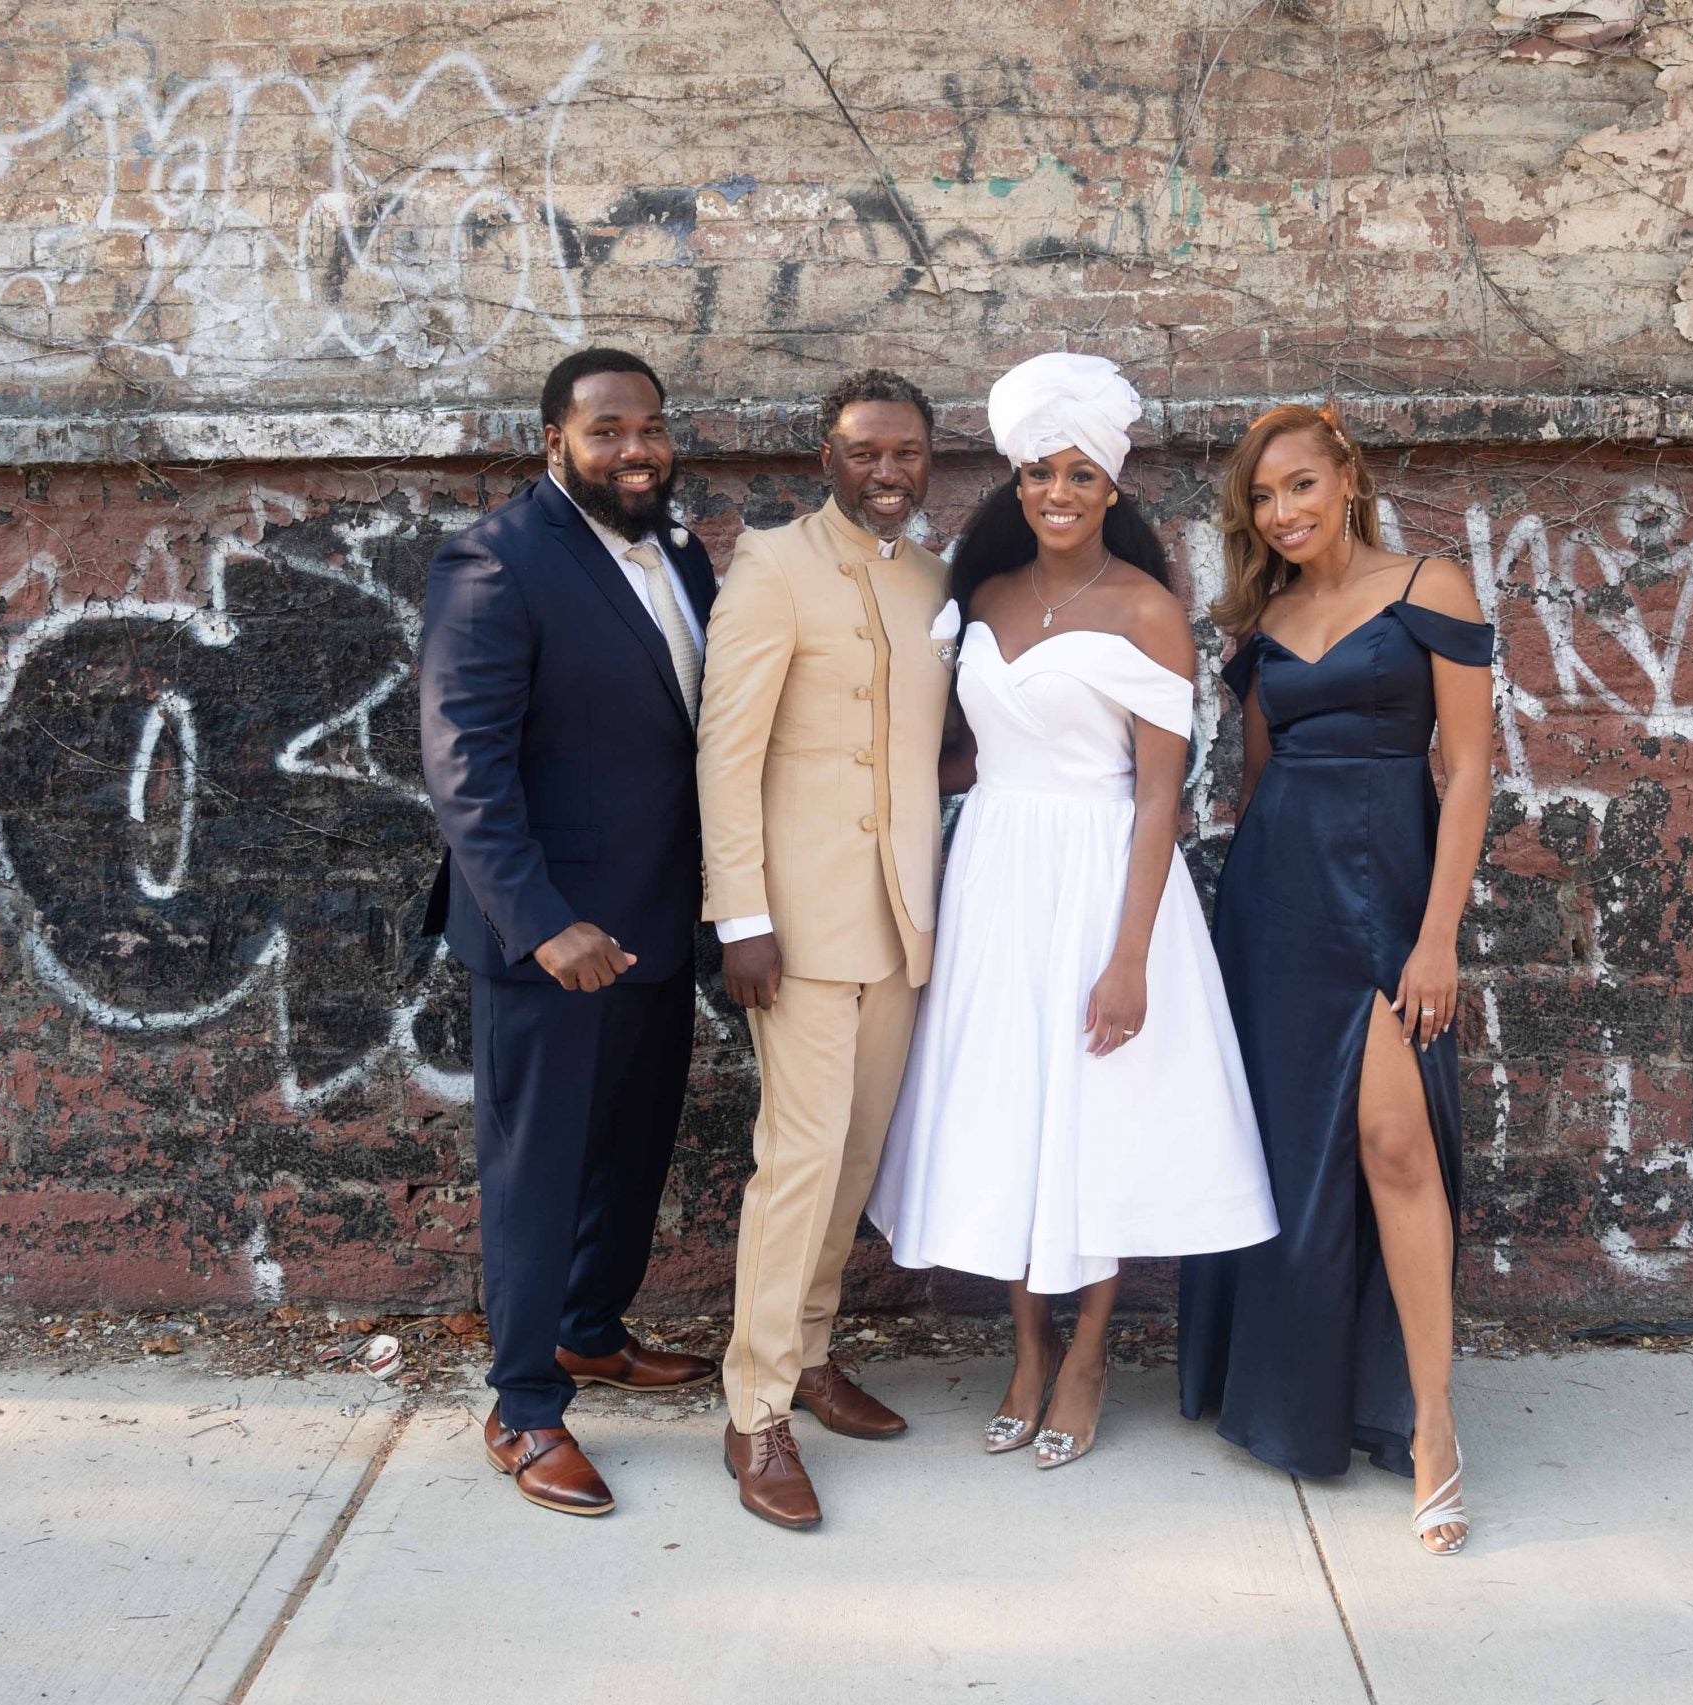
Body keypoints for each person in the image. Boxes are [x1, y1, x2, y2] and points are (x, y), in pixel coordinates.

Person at [868, 353, 1277, 1471]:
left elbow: (1158, 795)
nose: (1059, 491)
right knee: (1012, 1107)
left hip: (1102, 876)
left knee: (1095, 1116)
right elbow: (969, 755)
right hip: (995, 877)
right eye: (1040, 472)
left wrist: (1129, 956)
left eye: (1080, 474)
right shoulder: (983, 593)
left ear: (1111, 487)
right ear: (1016, 482)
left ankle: (1088, 1352)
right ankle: (1027, 1347)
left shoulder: (1148, 610)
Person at [1176, 404, 1495, 1555]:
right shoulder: (1262, 620)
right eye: (1262, 498)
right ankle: (1286, 1395)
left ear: (1346, 477)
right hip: (1276, 908)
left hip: (1395, 900)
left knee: (1395, 1146)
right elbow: (1260, 785)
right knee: (1279, 1154)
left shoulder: (1431, 587)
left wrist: (1437, 936)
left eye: (1299, 485)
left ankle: (1432, 1424)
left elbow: (1467, 769)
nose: (1282, 512)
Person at [418, 347, 721, 1519]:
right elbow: (465, 767)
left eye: (649, 428)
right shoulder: (496, 559)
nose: (635, 449)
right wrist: (543, 924)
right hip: (554, 939)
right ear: (555, 442)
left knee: (632, 1154)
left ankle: (590, 1331)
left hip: (659, 919)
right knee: (537, 1174)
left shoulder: (679, 552)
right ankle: (524, 1405)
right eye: (606, 431)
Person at [697, 370, 954, 1530]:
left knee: (853, 1158)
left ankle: (806, 1353)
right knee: (798, 1159)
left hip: (901, 922)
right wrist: (739, 917)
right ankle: (754, 1410)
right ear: (826, 459)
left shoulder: (934, 580)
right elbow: (726, 753)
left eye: (906, 453)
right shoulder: (770, 566)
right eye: (865, 453)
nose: (886, 472)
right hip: (794, 927)